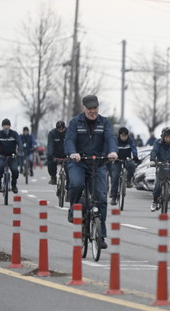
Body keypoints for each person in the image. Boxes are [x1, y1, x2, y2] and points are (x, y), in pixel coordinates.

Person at [65, 95, 118, 249]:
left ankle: (101, 235)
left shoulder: (104, 122)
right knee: (76, 183)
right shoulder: (75, 122)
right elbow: (69, 140)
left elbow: (110, 139)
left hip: (98, 163)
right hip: (78, 162)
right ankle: (73, 208)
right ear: (83, 108)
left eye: (95, 108)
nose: (93, 111)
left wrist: (113, 152)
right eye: (90, 109)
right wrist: (72, 153)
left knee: (101, 198)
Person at [149, 126, 170, 211]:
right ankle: (154, 202)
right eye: (166, 137)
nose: (167, 138)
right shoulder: (158, 143)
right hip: (160, 164)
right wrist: (152, 160)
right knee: (157, 186)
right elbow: (154, 151)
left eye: (169, 137)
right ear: (162, 137)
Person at [0, 118, 23, 193]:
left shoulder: (14, 134)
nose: (6, 127)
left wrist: (19, 151)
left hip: (12, 156)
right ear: (2, 126)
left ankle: (14, 185)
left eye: (7, 125)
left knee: (15, 170)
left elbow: (19, 142)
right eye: (4, 125)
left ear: (10, 126)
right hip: (1, 155)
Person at [109, 127, 139, 205]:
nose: (124, 137)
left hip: (127, 159)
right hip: (117, 160)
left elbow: (133, 147)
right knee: (115, 176)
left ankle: (129, 179)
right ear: (119, 135)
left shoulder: (130, 140)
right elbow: (113, 148)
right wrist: (113, 155)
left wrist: (135, 155)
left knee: (132, 165)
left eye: (125, 135)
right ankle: (114, 197)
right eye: (122, 135)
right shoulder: (116, 141)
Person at [47, 120, 67, 185]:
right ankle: (53, 177)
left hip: (67, 154)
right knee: (50, 160)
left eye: (62, 129)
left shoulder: (69, 132)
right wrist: (51, 155)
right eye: (59, 129)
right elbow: (50, 146)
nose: (61, 130)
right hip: (55, 154)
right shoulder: (52, 133)